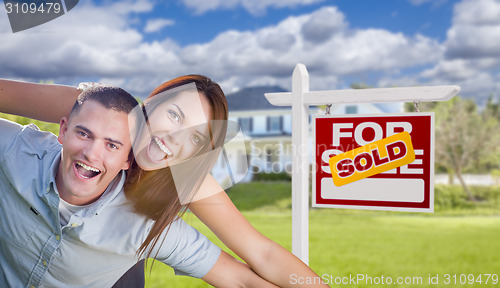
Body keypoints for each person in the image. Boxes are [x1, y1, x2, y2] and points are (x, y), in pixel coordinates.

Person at [0, 76, 330, 288]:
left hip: (121, 248)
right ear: (150, 104)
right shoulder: (96, 109)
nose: (175, 137)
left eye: (195, 136)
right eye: (174, 115)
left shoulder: (187, 179)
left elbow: (262, 254)